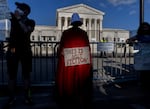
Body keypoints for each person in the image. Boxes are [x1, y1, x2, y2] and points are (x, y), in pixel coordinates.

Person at [55, 13, 93, 109]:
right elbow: (87, 48)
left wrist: (60, 54)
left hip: (70, 62)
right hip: (81, 63)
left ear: (72, 23)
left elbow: (61, 49)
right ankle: (80, 98)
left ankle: (69, 98)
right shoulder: (84, 33)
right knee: (81, 81)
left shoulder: (66, 33)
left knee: (69, 80)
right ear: (79, 23)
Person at [6, 2, 35, 106]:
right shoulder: (12, 18)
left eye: (19, 8)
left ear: (26, 12)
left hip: (25, 51)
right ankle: (11, 98)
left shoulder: (31, 22)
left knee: (26, 75)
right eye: (17, 8)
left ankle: (27, 97)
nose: (17, 9)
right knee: (11, 76)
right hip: (13, 50)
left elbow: (27, 30)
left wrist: (19, 19)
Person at [126, 22, 150, 90]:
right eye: (143, 27)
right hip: (143, 56)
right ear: (141, 28)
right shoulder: (139, 36)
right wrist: (133, 42)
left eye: (146, 27)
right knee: (143, 70)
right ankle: (143, 83)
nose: (145, 28)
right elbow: (128, 40)